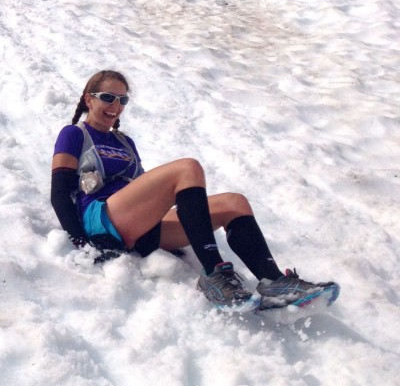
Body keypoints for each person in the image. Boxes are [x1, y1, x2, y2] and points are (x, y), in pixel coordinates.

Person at [50, 69, 336, 308]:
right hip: (102, 219)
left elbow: (145, 191)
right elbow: (60, 193)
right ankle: (214, 274)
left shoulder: (125, 143)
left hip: (138, 225)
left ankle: (275, 283)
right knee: (188, 167)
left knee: (234, 203)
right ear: (89, 99)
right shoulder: (74, 134)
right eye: (108, 97)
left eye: (122, 99)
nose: (116, 105)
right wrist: (81, 243)